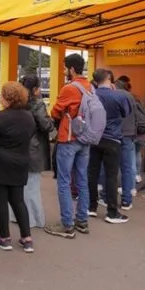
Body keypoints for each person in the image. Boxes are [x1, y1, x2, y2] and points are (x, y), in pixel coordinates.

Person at [44, 53, 92, 239]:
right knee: (82, 179)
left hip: (69, 138)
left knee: (64, 182)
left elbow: (55, 111)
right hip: (85, 139)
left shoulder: (69, 88)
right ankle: (82, 221)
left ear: (71, 69)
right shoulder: (89, 87)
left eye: (65, 68)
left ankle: (67, 225)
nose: (64, 71)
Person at [0, 82, 36, 252]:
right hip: (21, 161)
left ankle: (4, 237)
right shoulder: (29, 116)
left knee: (0, 201)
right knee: (18, 200)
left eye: (2, 95)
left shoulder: (0, 117)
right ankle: (26, 237)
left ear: (8, 98)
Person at [87, 69, 131, 224]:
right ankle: (112, 212)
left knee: (92, 173)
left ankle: (91, 206)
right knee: (111, 176)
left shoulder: (91, 96)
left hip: (94, 138)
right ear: (108, 78)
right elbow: (126, 112)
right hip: (113, 139)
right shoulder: (119, 95)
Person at [13, 75, 56, 228]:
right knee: (32, 186)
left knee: (19, 185)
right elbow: (45, 125)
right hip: (34, 149)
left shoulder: (16, 103)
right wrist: (54, 128)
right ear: (36, 89)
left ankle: (16, 216)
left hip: (17, 147)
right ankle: (33, 219)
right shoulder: (38, 105)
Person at [114, 77, 138, 211]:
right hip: (128, 135)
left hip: (114, 134)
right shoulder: (131, 97)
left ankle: (106, 197)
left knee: (110, 167)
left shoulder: (111, 96)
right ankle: (126, 200)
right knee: (127, 168)